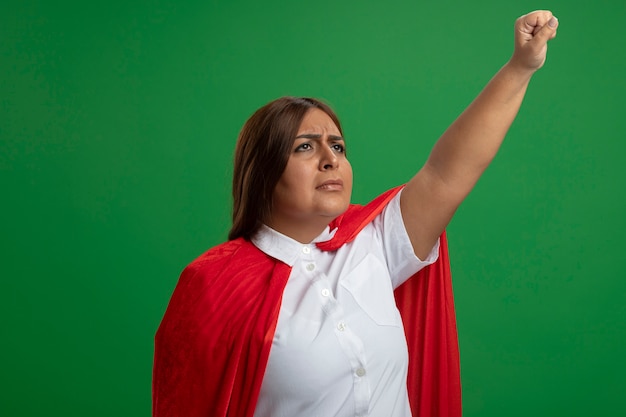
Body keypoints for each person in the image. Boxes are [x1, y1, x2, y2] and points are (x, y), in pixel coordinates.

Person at [153, 10, 559, 417]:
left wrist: (520, 66)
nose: (331, 159)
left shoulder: (375, 241)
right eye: (305, 147)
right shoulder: (212, 285)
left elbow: (445, 174)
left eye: (339, 146)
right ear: (262, 171)